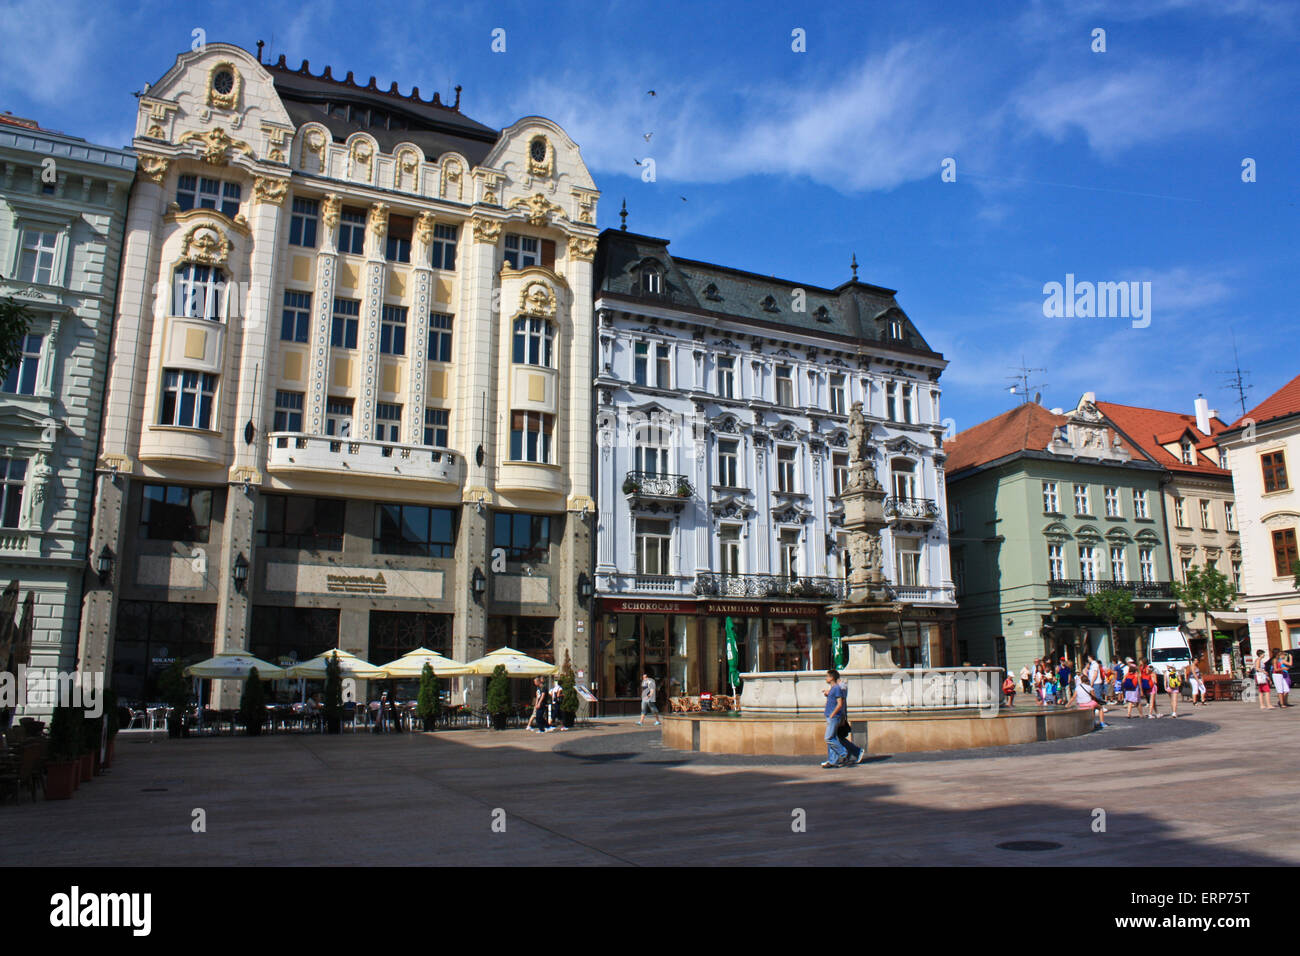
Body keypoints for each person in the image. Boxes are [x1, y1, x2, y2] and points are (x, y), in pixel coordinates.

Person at [821, 668, 850, 768]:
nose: (826, 678)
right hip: (830, 716)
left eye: (827, 676)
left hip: (833, 717)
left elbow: (840, 704)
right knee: (832, 738)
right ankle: (833, 760)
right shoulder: (833, 689)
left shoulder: (837, 688)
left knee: (828, 738)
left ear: (832, 677)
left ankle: (843, 752)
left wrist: (833, 714)